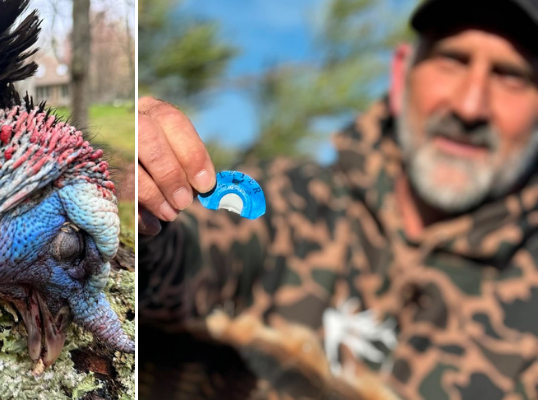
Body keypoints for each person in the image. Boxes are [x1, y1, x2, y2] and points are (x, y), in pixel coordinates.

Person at [138, 0, 538, 398]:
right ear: (401, 76)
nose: (471, 106)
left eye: (511, 76)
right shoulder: (294, 200)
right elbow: (181, 254)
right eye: (452, 59)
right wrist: (146, 205)